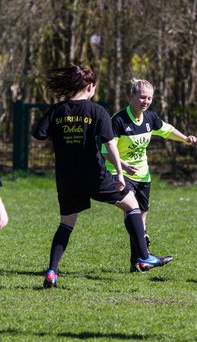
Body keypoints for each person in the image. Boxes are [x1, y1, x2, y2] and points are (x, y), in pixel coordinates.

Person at [32, 64, 171, 288]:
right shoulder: (97, 111)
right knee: (132, 204)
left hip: (66, 178)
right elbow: (109, 145)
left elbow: (38, 136)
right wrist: (120, 174)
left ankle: (51, 271)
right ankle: (144, 257)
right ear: (89, 86)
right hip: (95, 175)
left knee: (66, 224)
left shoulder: (57, 110)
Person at [102, 78, 197, 272]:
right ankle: (144, 256)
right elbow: (105, 150)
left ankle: (136, 263)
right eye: (142, 97)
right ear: (131, 96)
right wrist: (124, 166)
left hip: (143, 176)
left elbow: (166, 130)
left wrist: (185, 139)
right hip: (119, 174)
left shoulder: (150, 118)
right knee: (133, 211)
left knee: (140, 221)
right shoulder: (118, 120)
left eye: (149, 98)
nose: (145, 102)